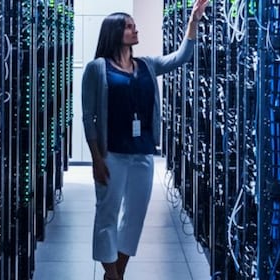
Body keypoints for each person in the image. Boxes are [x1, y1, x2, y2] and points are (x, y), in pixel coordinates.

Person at [80, 1, 207, 279]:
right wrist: (96, 159)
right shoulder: (97, 69)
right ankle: (111, 274)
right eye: (128, 26)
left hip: (143, 154)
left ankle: (117, 273)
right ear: (114, 33)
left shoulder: (146, 65)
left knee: (134, 218)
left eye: (133, 25)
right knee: (107, 215)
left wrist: (193, 23)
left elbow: (180, 58)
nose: (135, 29)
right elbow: (88, 117)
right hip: (111, 153)